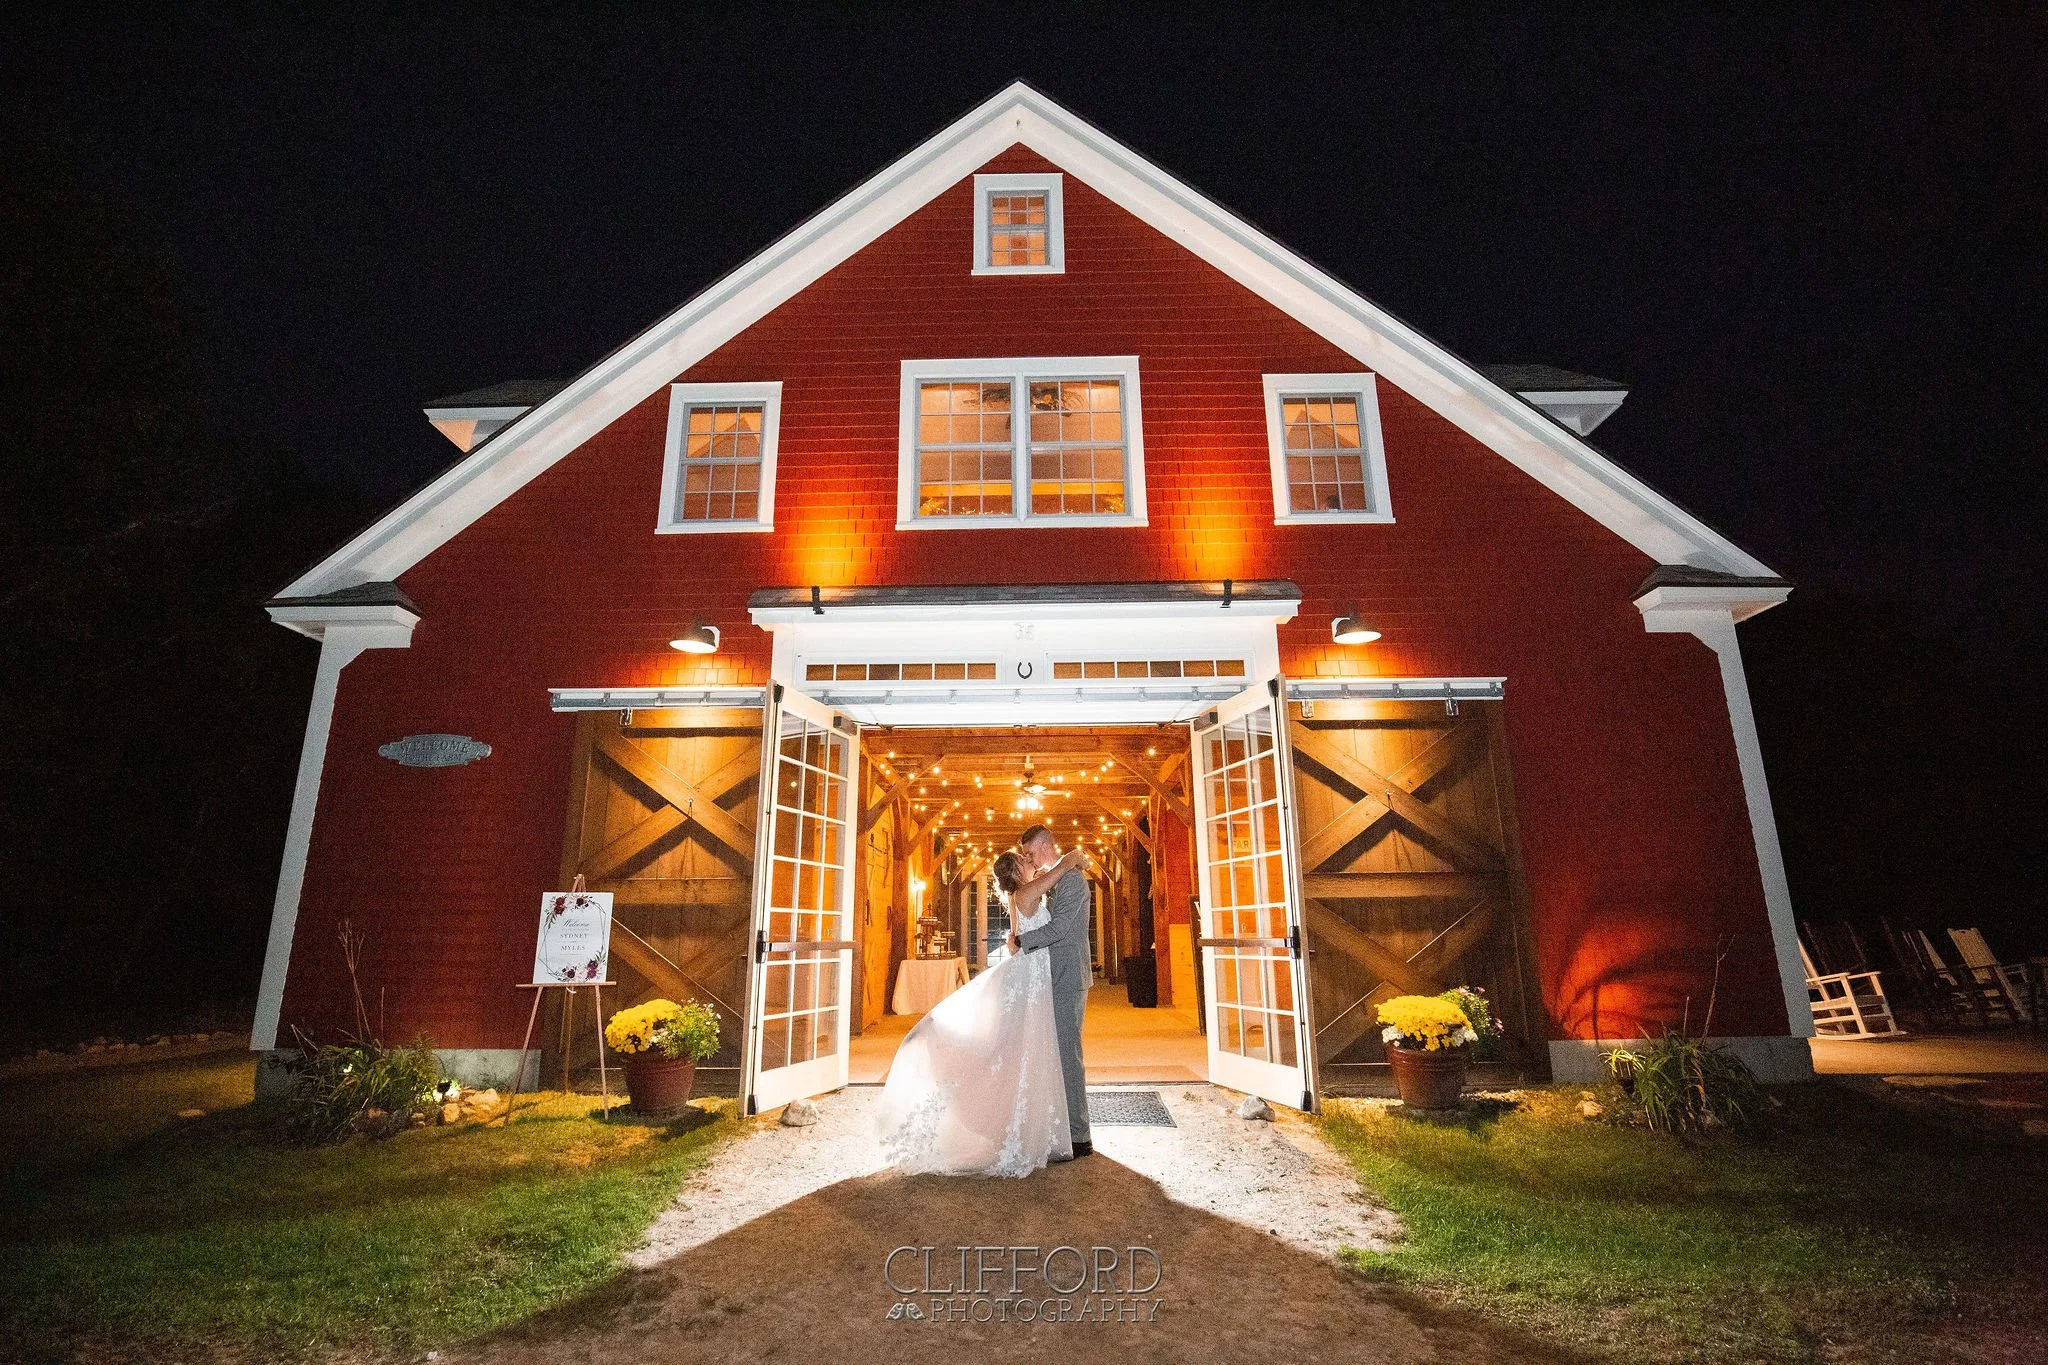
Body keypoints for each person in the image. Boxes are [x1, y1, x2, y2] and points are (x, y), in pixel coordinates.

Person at [873, 844, 1089, 1176]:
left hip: (1034, 979)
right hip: (1028, 979)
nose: (1031, 862)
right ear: (1017, 872)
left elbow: (1047, 891)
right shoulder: (1026, 891)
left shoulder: (1024, 891)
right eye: (1025, 860)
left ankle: (1033, 1123)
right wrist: (1069, 860)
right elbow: (1055, 878)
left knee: (1025, 1050)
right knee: (1015, 1048)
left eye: (1030, 856)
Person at [1008, 823, 1094, 1159]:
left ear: (1044, 846)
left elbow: (1059, 929)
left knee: (1068, 1057)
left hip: (1068, 976)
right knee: (1056, 1053)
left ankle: (1079, 1136)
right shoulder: (1059, 877)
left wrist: (1021, 941)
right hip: (1052, 976)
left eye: (1030, 852)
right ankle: (1063, 1126)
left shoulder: (1072, 880)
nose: (1029, 859)